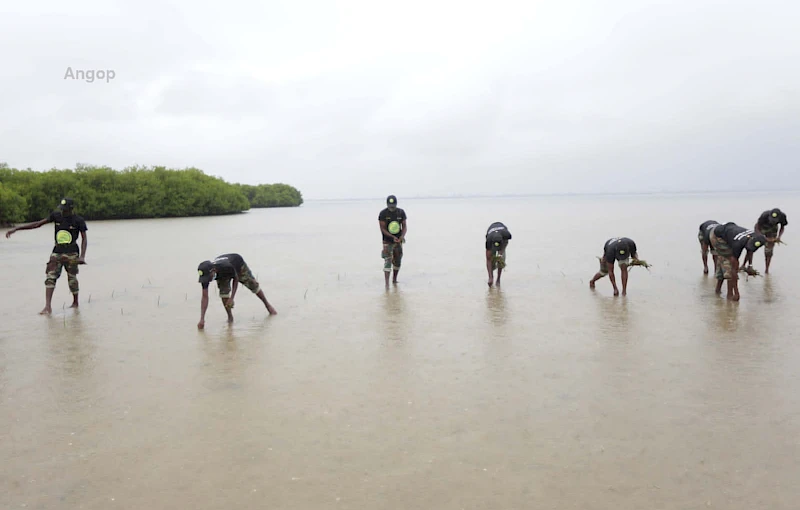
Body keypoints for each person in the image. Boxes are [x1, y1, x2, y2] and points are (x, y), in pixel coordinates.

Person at [5, 198, 88, 314]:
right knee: (50, 277)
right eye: (62, 209)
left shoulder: (78, 220)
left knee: (72, 279)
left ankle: (75, 302)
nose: (63, 212)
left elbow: (84, 239)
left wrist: (82, 256)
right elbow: (37, 224)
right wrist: (16, 228)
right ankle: (47, 307)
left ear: (71, 209)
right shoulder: (56, 216)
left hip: (72, 253)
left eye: (65, 210)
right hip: (57, 252)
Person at [196, 253, 277, 329]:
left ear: (213, 270)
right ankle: (230, 317)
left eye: (208, 277)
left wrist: (232, 298)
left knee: (253, 285)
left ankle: (268, 305)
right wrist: (202, 319)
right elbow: (205, 296)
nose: (208, 280)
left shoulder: (226, 266)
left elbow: (236, 278)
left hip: (238, 264)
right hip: (222, 274)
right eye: (205, 278)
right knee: (224, 294)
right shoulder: (205, 277)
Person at [709, 222, 767, 301]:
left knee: (723, 261)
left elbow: (750, 250)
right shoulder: (737, 244)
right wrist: (737, 292)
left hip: (728, 230)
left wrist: (749, 266)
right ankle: (730, 295)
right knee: (729, 265)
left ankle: (717, 290)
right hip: (717, 236)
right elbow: (734, 269)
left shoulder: (756, 236)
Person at [744, 208, 788, 274]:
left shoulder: (782, 216)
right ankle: (744, 265)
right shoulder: (764, 215)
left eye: (775, 220)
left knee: (769, 251)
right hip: (762, 228)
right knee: (751, 247)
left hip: (773, 230)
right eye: (771, 219)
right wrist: (760, 236)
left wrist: (779, 237)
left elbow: (782, 227)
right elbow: (757, 226)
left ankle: (766, 270)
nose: (772, 221)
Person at [378, 195, 407, 287]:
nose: (392, 208)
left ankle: (394, 280)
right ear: (387, 205)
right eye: (390, 206)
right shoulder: (383, 213)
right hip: (387, 241)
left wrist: (402, 236)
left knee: (398, 260)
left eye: (393, 206)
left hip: (398, 241)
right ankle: (387, 284)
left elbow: (404, 226)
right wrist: (391, 237)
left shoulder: (401, 212)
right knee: (388, 260)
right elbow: (382, 229)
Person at [485, 222, 512, 286]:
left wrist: (500, 254)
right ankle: (491, 277)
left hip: (503, 239)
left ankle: (498, 279)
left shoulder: (507, 235)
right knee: (491, 259)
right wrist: (490, 278)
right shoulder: (489, 240)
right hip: (492, 237)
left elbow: (505, 244)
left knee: (501, 259)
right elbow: (488, 258)